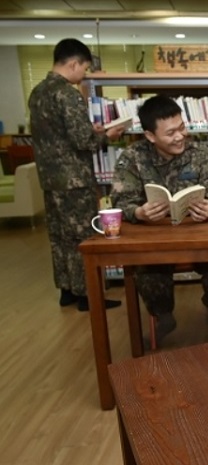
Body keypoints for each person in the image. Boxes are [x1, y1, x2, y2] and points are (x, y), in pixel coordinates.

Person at [110, 94, 208, 344]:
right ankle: (162, 316)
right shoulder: (132, 157)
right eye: (170, 133)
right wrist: (139, 212)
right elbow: (121, 202)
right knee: (146, 268)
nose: (180, 136)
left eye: (182, 128)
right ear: (150, 136)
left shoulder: (200, 153)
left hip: (198, 235)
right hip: (155, 236)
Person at [28, 38, 124, 312]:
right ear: (73, 63)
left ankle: (67, 291)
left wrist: (90, 131)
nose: (83, 74)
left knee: (59, 236)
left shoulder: (37, 92)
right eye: (84, 68)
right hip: (74, 179)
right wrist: (108, 135)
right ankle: (89, 296)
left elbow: (58, 134)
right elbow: (84, 142)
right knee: (83, 236)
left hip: (49, 178)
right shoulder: (67, 94)